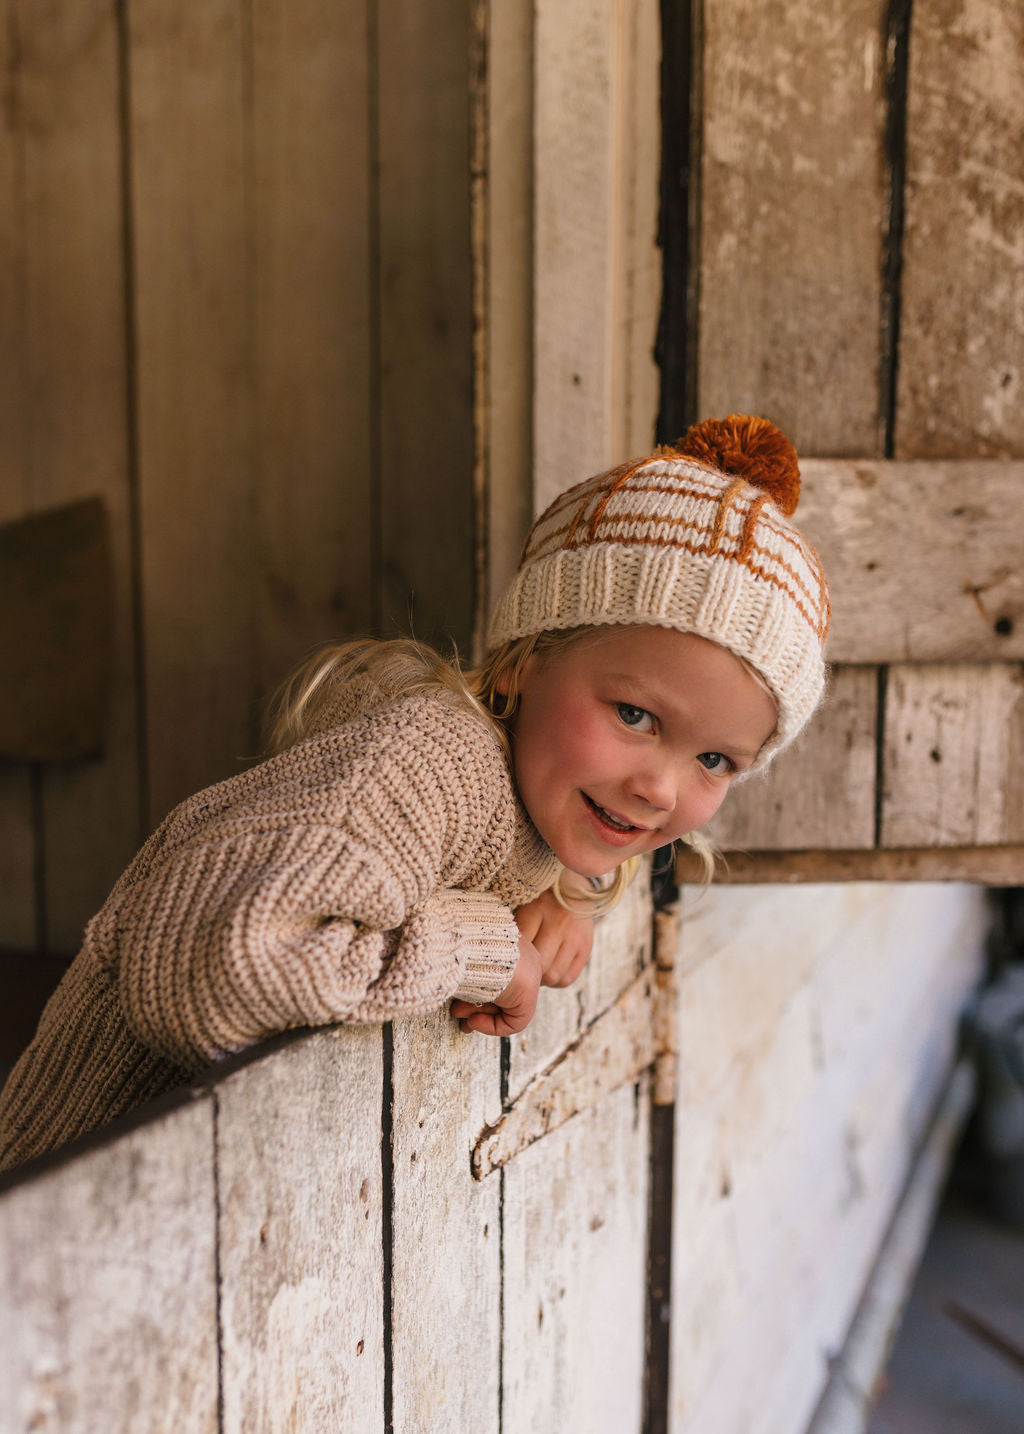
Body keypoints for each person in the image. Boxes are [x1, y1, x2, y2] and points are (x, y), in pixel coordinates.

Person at [0, 414, 830, 1172]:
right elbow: (219, 977)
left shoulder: (554, 803)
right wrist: (488, 947)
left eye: (715, 760)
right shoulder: (434, 761)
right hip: (57, 1209)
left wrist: (567, 892)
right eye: (635, 714)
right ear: (525, 660)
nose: (659, 788)